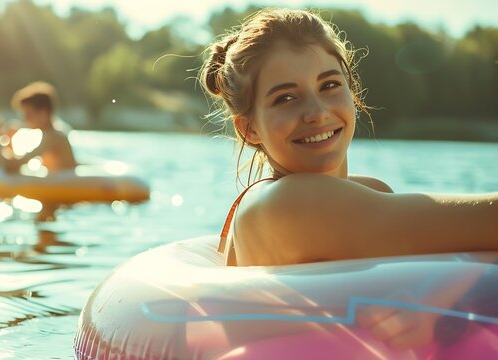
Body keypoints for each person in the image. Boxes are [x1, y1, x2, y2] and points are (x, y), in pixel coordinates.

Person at [200, 8, 498, 348]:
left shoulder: (371, 194)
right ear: (249, 128)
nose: (317, 112)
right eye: (285, 98)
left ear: (352, 94)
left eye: (329, 85)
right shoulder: (287, 204)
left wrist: (435, 293)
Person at [0, 81, 77, 174]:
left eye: (28, 114)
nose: (24, 119)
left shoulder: (53, 137)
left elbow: (9, 166)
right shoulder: (50, 134)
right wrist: (10, 142)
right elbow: (11, 164)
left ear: (43, 113)